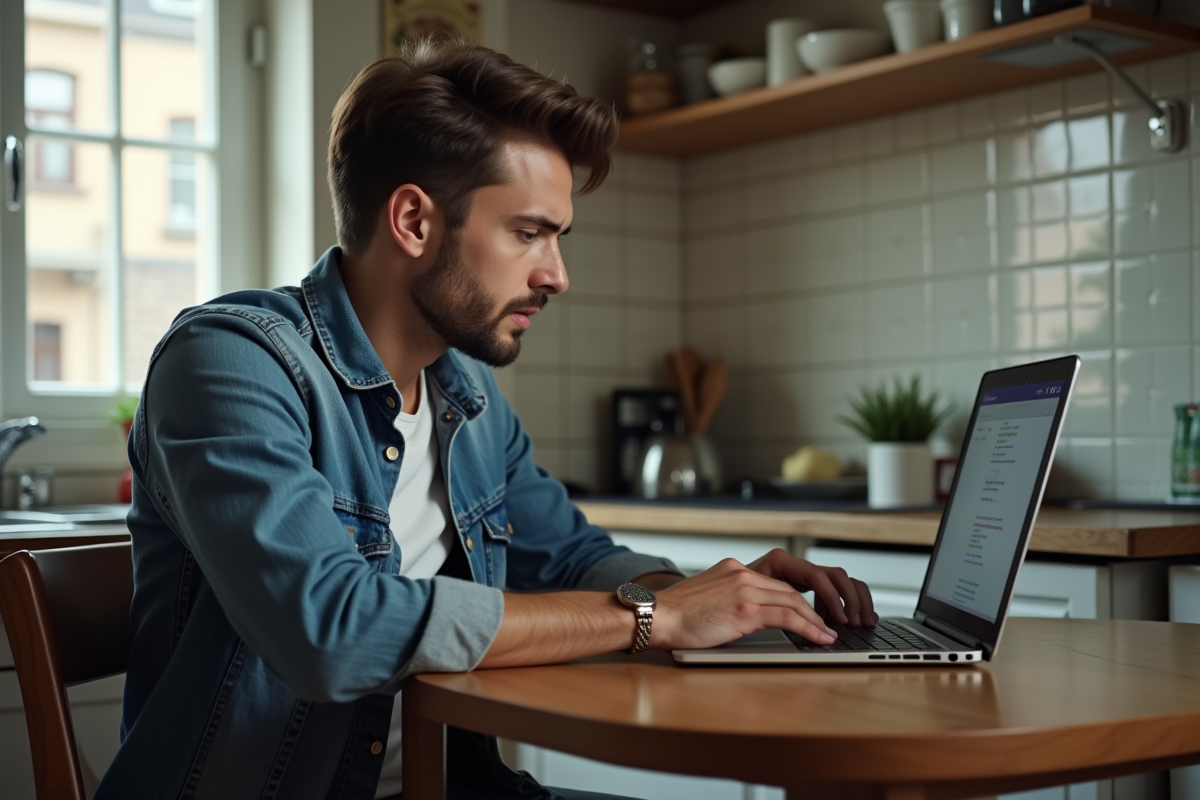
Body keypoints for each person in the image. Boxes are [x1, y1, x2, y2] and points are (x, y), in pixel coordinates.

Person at [96, 39, 877, 800]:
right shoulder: (231, 362)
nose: (557, 276)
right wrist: (657, 616)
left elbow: (569, 557)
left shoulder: (465, 393)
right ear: (413, 222)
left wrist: (721, 599)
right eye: (529, 233)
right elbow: (330, 629)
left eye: (558, 238)